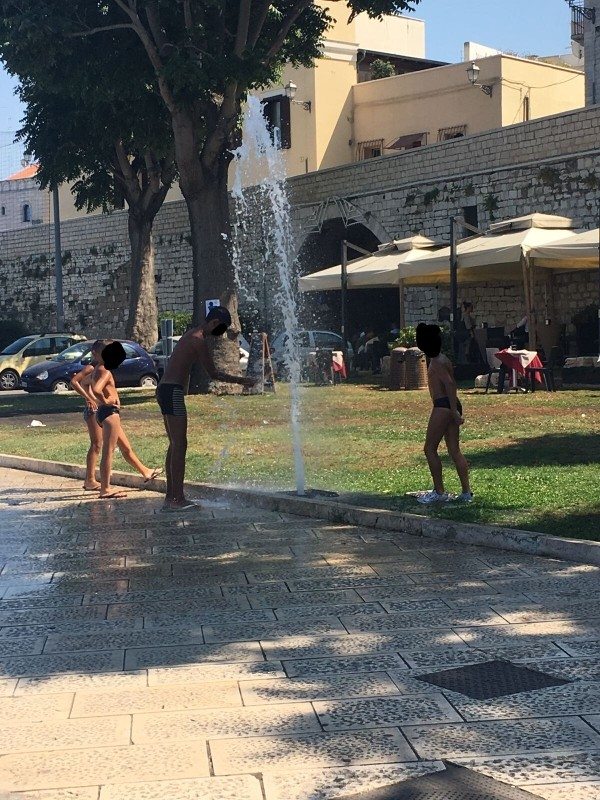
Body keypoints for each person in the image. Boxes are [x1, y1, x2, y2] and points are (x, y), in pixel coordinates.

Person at [156, 306, 256, 512]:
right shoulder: (198, 340)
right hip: (172, 391)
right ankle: (177, 499)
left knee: (175, 444)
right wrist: (242, 381)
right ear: (214, 323)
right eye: (221, 329)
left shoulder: (190, 334)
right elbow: (214, 373)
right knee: (180, 444)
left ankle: (171, 497)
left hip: (165, 389)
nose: (219, 334)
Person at [71, 340, 163, 494]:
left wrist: (93, 399)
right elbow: (96, 388)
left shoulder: (97, 370)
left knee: (125, 447)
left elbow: (86, 383)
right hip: (109, 412)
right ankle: (105, 489)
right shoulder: (104, 371)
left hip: (105, 413)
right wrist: (104, 400)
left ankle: (146, 472)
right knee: (108, 451)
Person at [415, 323, 473, 505]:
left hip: (443, 405)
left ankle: (439, 491)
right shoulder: (443, 359)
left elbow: (449, 383)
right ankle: (466, 492)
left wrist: (453, 411)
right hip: (450, 404)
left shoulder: (437, 362)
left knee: (429, 449)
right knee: (454, 450)